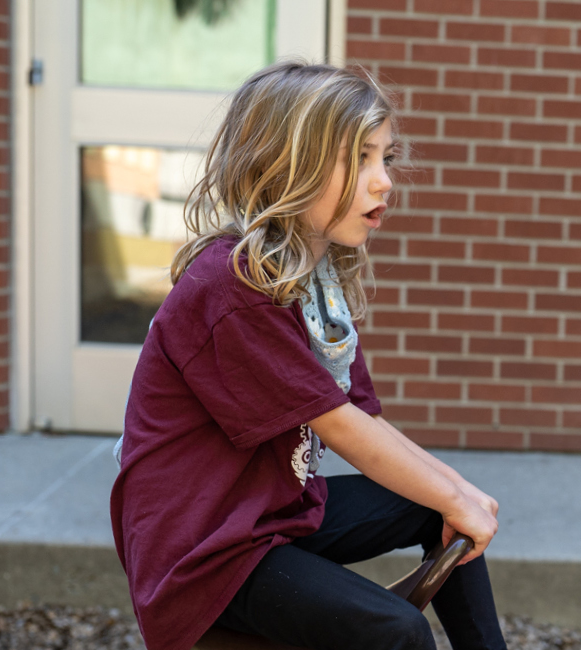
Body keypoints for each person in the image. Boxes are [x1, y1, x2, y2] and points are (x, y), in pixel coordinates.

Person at [109, 62, 506, 650]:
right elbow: (340, 425)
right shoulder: (231, 285)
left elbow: (366, 418)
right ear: (287, 164)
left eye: (386, 158)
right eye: (359, 159)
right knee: (398, 630)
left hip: (269, 513)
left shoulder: (312, 286)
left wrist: (460, 493)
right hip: (206, 555)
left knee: (437, 512)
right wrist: (455, 496)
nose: (384, 181)